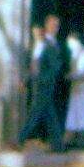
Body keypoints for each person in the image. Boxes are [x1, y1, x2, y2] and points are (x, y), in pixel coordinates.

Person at [21, 14, 68, 150]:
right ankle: (20, 139)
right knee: (37, 112)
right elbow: (35, 63)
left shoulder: (54, 43)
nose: (56, 28)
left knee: (48, 113)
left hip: (48, 83)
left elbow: (55, 64)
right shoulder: (43, 42)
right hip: (42, 83)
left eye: (57, 26)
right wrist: (29, 80)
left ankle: (58, 145)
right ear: (47, 26)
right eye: (53, 25)